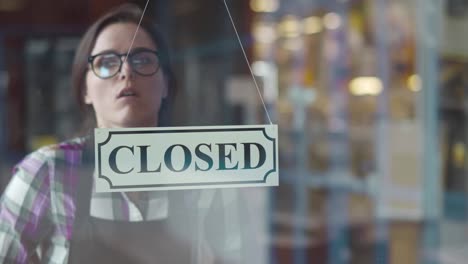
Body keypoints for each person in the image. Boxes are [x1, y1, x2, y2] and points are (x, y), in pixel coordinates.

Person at [0, 3, 255, 263]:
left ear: (166, 83)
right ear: (85, 89)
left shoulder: (209, 178)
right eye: (107, 62)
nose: (126, 72)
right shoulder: (49, 172)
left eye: (143, 59)